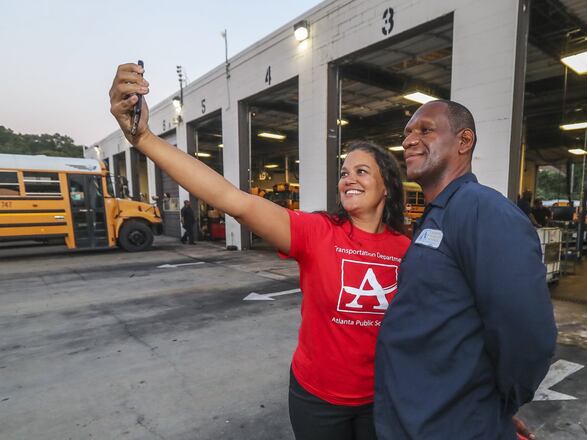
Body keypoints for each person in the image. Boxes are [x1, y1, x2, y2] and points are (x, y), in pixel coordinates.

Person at [109, 63, 411, 440]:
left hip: (379, 398)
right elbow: (231, 199)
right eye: (344, 171)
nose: (348, 177)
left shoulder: (408, 249)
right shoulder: (318, 232)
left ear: (387, 188)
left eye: (362, 171)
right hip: (318, 400)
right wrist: (144, 139)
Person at [374, 100, 557, 439]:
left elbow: (528, 333)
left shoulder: (482, 211)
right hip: (414, 417)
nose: (410, 140)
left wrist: (495, 405)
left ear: (464, 141)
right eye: (407, 133)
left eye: (425, 130)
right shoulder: (437, 215)